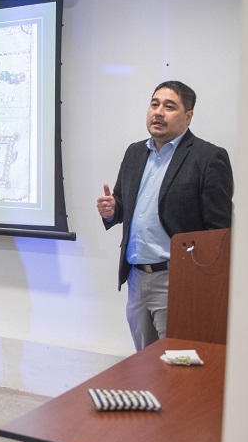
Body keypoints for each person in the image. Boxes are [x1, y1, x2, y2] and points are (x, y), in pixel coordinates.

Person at [97, 81, 234, 351]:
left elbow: (220, 232)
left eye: (169, 107)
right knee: (144, 362)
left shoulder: (208, 157)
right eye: (154, 104)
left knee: (175, 364)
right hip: (136, 278)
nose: (158, 112)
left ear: (188, 116)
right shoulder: (135, 152)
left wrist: (203, 287)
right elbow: (123, 203)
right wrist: (113, 210)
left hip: (177, 280)